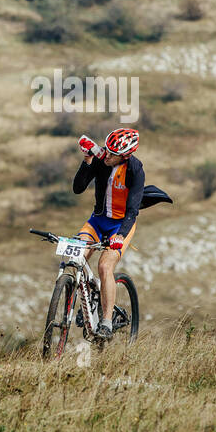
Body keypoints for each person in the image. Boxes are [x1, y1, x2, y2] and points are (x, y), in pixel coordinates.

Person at [71, 127, 145, 340]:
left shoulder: (135, 169)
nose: (107, 155)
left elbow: (132, 211)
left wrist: (120, 236)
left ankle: (106, 321)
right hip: (98, 220)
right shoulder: (101, 160)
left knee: (104, 266)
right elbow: (78, 188)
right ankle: (84, 301)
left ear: (125, 155)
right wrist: (87, 160)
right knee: (77, 257)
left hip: (121, 225)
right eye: (107, 149)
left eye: (113, 153)